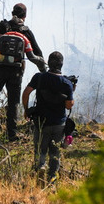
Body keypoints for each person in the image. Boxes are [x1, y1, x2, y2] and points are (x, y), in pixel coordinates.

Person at [0, 3, 47, 141]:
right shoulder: (25, 31)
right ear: (25, 16)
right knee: (13, 102)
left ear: (12, 13)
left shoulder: (3, 26)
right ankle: (12, 133)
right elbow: (37, 52)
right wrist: (44, 70)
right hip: (16, 71)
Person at [22, 51, 75, 185]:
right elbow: (69, 106)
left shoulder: (39, 77)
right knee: (55, 152)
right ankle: (52, 178)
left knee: (40, 149)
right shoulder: (66, 83)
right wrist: (72, 91)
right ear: (61, 65)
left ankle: (40, 168)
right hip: (58, 124)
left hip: (41, 121)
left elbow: (26, 92)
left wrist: (26, 110)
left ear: (48, 63)